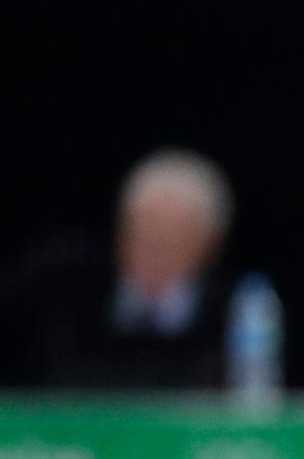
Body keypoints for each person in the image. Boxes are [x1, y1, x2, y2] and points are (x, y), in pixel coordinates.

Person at [1, 147, 236, 389]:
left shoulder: (235, 317)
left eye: (174, 235)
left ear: (211, 243)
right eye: (144, 230)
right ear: (121, 231)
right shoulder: (58, 295)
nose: (156, 246)